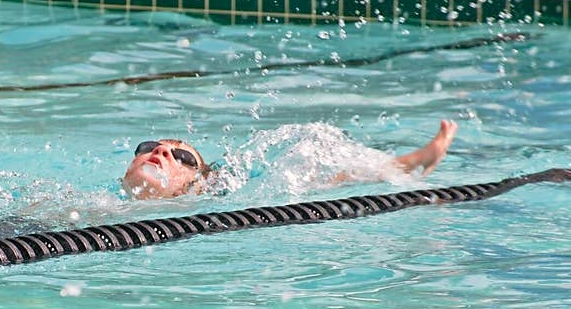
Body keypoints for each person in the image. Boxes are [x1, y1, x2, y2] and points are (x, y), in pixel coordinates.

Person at [122, 119, 459, 199]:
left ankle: (415, 160)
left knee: (323, 176)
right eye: (149, 146)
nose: (160, 152)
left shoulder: (202, 205)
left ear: (196, 186)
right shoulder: (91, 203)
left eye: (182, 157)